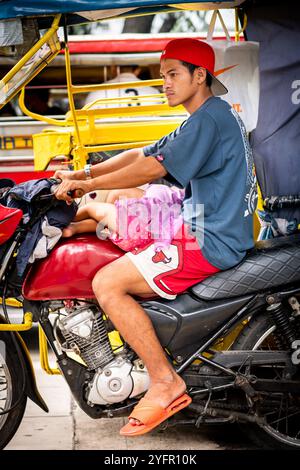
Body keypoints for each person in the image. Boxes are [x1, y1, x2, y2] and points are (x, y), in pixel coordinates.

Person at [54, 38, 257, 436]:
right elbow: (139, 155)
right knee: (115, 236)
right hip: (206, 227)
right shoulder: (206, 116)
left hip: (208, 239)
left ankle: (164, 380)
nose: (164, 82)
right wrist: (84, 176)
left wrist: (82, 189)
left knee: (107, 282)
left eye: (173, 74)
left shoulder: (209, 120)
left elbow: (149, 170)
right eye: (162, 75)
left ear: (200, 76)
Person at [62, 184, 185, 253]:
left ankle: (65, 218)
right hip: (139, 240)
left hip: (140, 227)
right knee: (107, 217)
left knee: (90, 208)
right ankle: (74, 228)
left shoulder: (163, 197)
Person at [84, 65, 160, 108]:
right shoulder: (154, 92)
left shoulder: (96, 92)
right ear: (137, 70)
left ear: (113, 68)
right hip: (147, 134)